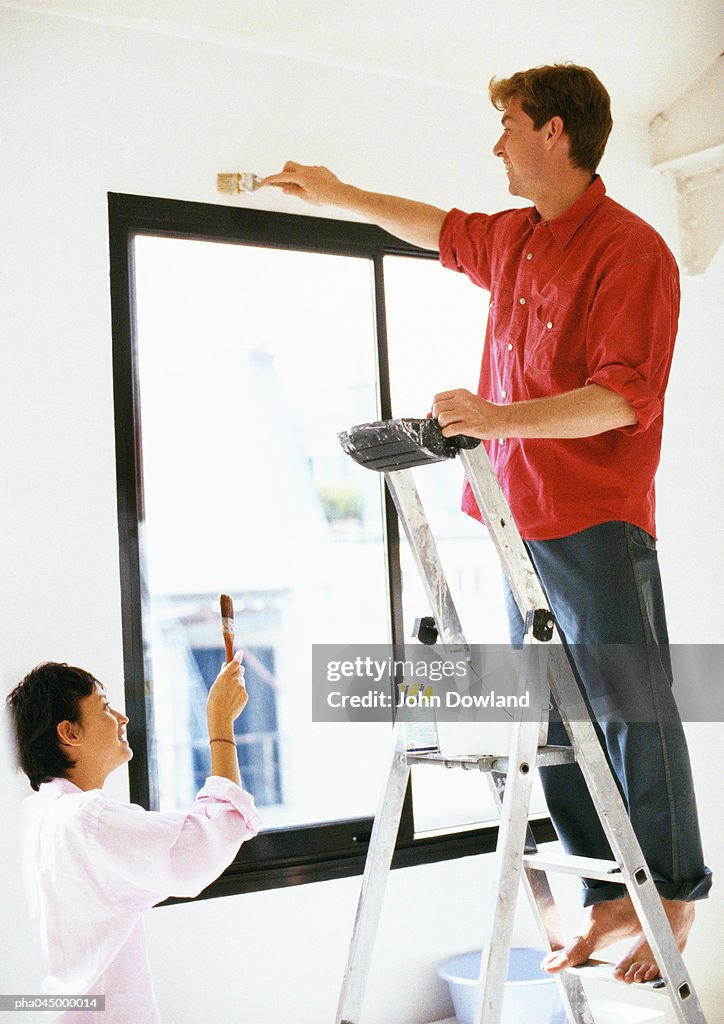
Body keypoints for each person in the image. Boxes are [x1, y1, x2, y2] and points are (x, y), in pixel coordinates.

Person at [260, 63, 711, 985]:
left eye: (508, 126)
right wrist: (339, 192)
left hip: (593, 519)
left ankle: (670, 888)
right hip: (513, 520)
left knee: (631, 702)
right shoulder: (516, 240)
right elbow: (435, 225)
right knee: (541, 719)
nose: (495, 145)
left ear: (555, 132)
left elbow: (625, 400)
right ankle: (606, 895)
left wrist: (496, 418)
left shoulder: (632, 252)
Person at [7, 653, 262, 1023]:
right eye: (105, 706)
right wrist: (220, 723)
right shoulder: (85, 820)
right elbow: (203, 848)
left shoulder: (33, 816)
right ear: (69, 732)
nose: (122, 719)